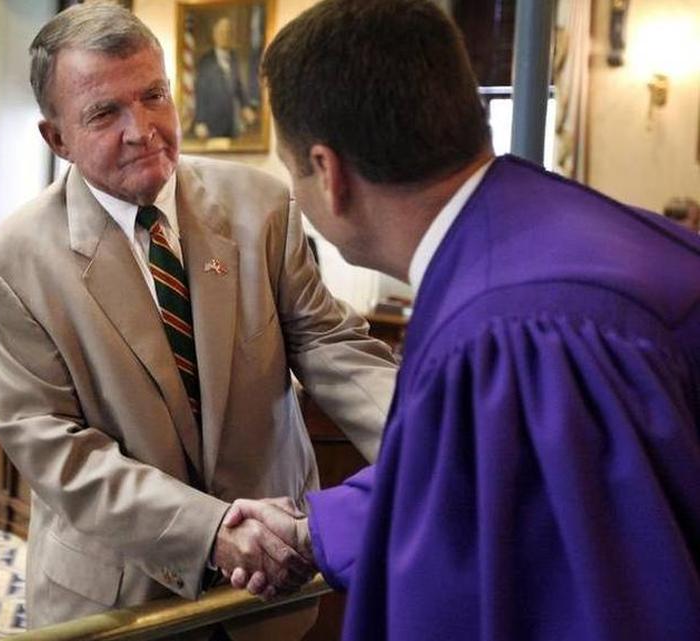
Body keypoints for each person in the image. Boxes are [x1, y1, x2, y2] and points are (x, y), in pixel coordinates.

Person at [224, 1, 700, 640]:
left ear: (328, 174)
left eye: (290, 172)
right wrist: (317, 530)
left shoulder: (509, 333)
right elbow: (503, 483)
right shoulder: (556, 227)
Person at [0, 3, 397, 636]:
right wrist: (209, 530)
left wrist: (436, 450)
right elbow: (56, 450)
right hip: (122, 601)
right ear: (56, 138)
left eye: (153, 96)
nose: (142, 129)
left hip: (271, 588)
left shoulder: (262, 204)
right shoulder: (12, 264)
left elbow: (330, 344)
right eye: (104, 113)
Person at [192, 16, 258, 139]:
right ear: (214, 35)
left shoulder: (234, 58)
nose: (224, 36)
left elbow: (238, 86)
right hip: (211, 124)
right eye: (221, 32)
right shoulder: (205, 61)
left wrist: (246, 107)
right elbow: (200, 92)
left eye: (228, 32)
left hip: (231, 123)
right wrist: (200, 121)